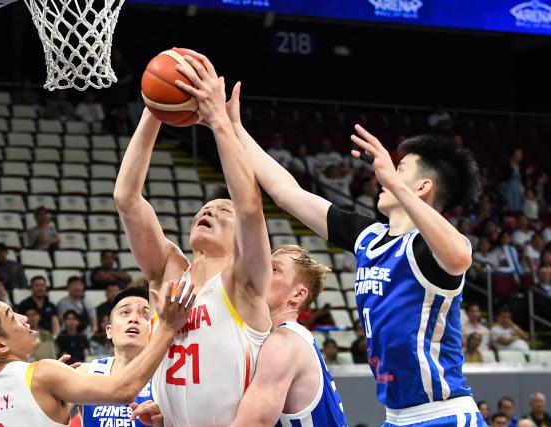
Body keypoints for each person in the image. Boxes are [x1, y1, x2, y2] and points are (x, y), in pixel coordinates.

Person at [228, 81, 483, 425]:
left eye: (400, 170)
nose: (385, 177)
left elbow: (460, 257)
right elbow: (285, 191)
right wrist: (232, 128)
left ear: (423, 187)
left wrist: (392, 183)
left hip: (443, 414)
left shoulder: (429, 250)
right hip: (395, 417)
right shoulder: (369, 237)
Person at [114, 52, 272, 426]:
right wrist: (154, 109)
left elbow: (250, 206)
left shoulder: (244, 282)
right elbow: (127, 198)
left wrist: (219, 121)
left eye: (222, 211)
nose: (209, 211)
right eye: (205, 208)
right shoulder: (170, 271)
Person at [134, 246, 348, 426]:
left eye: (274, 269)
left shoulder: (284, 343)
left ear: (297, 295)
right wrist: (172, 418)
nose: (260, 271)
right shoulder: (260, 341)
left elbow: (251, 424)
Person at [0, 283, 193, 427]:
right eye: (12, 316)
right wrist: (168, 327)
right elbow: (123, 391)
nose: (25, 318)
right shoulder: (44, 373)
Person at [79, 287, 157, 427]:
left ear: (154, 330)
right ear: (109, 331)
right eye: (125, 312)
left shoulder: (165, 380)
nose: (133, 319)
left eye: (144, 315)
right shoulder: (84, 373)